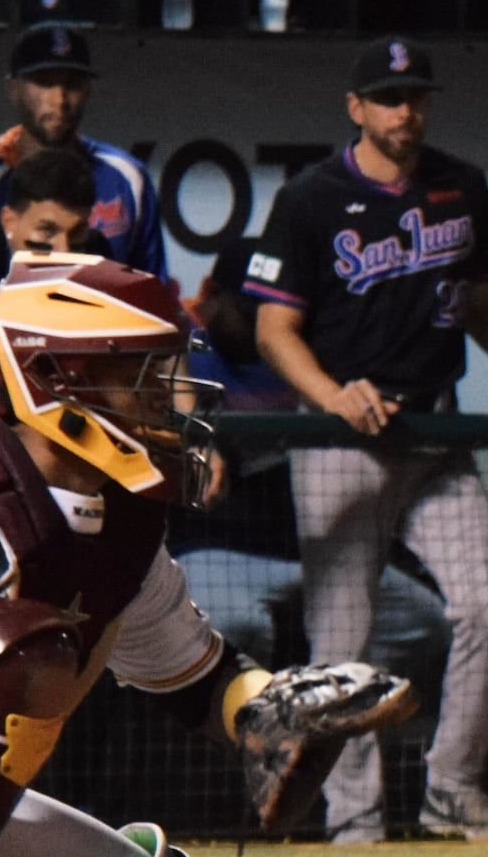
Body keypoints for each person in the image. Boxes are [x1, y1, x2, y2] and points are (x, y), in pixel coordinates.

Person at [0, 252, 415, 857]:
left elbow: (194, 675)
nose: (165, 400)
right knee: (17, 654)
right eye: (139, 377)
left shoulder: (118, 524)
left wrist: (269, 710)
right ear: (52, 377)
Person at [247, 37, 488, 843]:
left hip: (433, 436)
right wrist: (332, 394)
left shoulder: (459, 186)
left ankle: (452, 789)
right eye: (390, 98)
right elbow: (272, 329)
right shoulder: (310, 197)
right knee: (342, 643)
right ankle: (355, 822)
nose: (407, 111)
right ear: (356, 107)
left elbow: (481, 308)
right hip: (340, 440)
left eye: (417, 96)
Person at [172, 239, 455, 705]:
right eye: (248, 309)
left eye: (269, 311)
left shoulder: (310, 358)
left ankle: (322, 715)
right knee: (232, 626)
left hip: (315, 548)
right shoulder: (184, 355)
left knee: (425, 623)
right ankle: (243, 736)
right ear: (213, 296)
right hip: (216, 550)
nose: (259, 324)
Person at [0, 25, 165, 280]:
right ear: (13, 88)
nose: (59, 99)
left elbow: (152, 287)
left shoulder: (126, 177)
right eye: (44, 82)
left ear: (88, 89)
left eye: (72, 85)